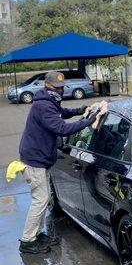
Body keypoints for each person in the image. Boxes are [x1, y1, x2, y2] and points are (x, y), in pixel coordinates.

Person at [19, 71, 100, 254]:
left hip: (39, 158)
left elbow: (61, 113)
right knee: (40, 200)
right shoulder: (44, 106)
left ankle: (36, 234)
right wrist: (87, 122)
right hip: (35, 160)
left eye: (62, 87)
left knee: (43, 198)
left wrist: (79, 111)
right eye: (56, 87)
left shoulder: (48, 101)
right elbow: (61, 129)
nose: (60, 90)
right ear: (47, 85)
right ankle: (27, 240)